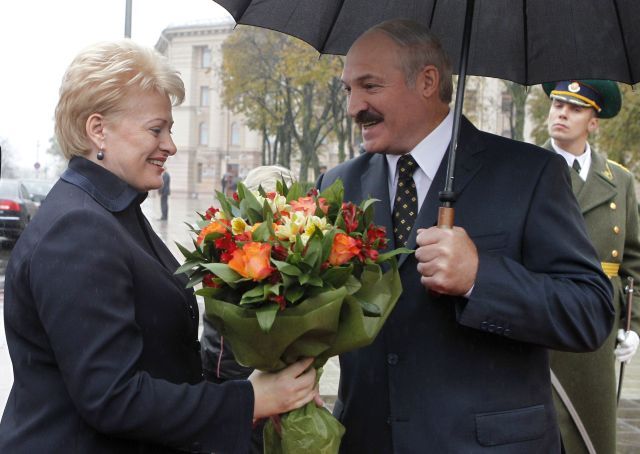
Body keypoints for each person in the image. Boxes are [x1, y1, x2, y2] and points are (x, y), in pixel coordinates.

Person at [0, 40, 318, 453]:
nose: (170, 145)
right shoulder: (78, 227)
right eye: (156, 129)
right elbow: (113, 397)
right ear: (98, 129)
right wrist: (250, 399)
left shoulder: (112, 211)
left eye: (169, 128)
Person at [316, 19, 614, 453]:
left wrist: (480, 278)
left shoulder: (529, 175)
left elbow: (589, 312)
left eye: (370, 86)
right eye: (348, 90)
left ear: (428, 81)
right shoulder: (336, 185)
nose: (353, 107)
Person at [542, 79, 640, 454]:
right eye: (557, 104)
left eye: (575, 108)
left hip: (596, 327)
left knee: (590, 439)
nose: (562, 113)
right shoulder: (525, 168)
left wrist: (633, 327)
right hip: (542, 319)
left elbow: (634, 261)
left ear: (594, 122)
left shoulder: (619, 180)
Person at [201, 164, 296, 453]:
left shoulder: (289, 252)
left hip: (267, 387)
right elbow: (223, 347)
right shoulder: (231, 252)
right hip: (233, 385)